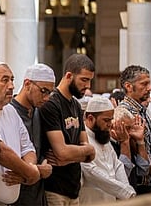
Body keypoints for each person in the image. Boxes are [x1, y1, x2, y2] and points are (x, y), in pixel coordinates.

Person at [0, 61, 40, 206]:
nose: (11, 86)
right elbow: (0, 152)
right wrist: (31, 173)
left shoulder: (11, 111)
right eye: (5, 80)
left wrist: (27, 170)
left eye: (12, 80)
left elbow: (28, 148)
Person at [39, 53, 96, 205]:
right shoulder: (51, 103)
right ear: (69, 75)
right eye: (84, 80)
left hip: (74, 188)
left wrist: (73, 155)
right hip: (54, 189)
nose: (88, 86)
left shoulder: (76, 106)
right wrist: (78, 153)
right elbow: (62, 153)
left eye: (90, 80)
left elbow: (91, 153)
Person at [9, 63, 55, 206]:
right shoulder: (10, 112)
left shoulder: (37, 111)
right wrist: (35, 170)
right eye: (43, 91)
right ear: (27, 84)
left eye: (50, 93)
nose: (47, 97)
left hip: (37, 195)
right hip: (15, 195)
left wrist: (44, 165)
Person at [80, 96, 136, 204]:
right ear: (90, 118)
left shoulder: (103, 137)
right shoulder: (82, 138)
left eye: (111, 119)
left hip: (110, 200)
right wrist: (125, 191)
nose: (110, 124)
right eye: (106, 120)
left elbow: (117, 164)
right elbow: (91, 172)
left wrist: (126, 187)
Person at [118, 64, 151, 194]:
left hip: (149, 181)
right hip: (138, 182)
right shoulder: (124, 112)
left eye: (149, 84)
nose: (149, 88)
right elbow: (138, 151)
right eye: (144, 84)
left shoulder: (141, 110)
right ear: (129, 86)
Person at [110, 105, 150, 188]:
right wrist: (125, 143)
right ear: (114, 125)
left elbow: (144, 169)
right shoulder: (109, 145)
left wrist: (140, 141)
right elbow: (123, 174)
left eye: (132, 127)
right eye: (127, 128)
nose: (131, 132)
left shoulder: (130, 140)